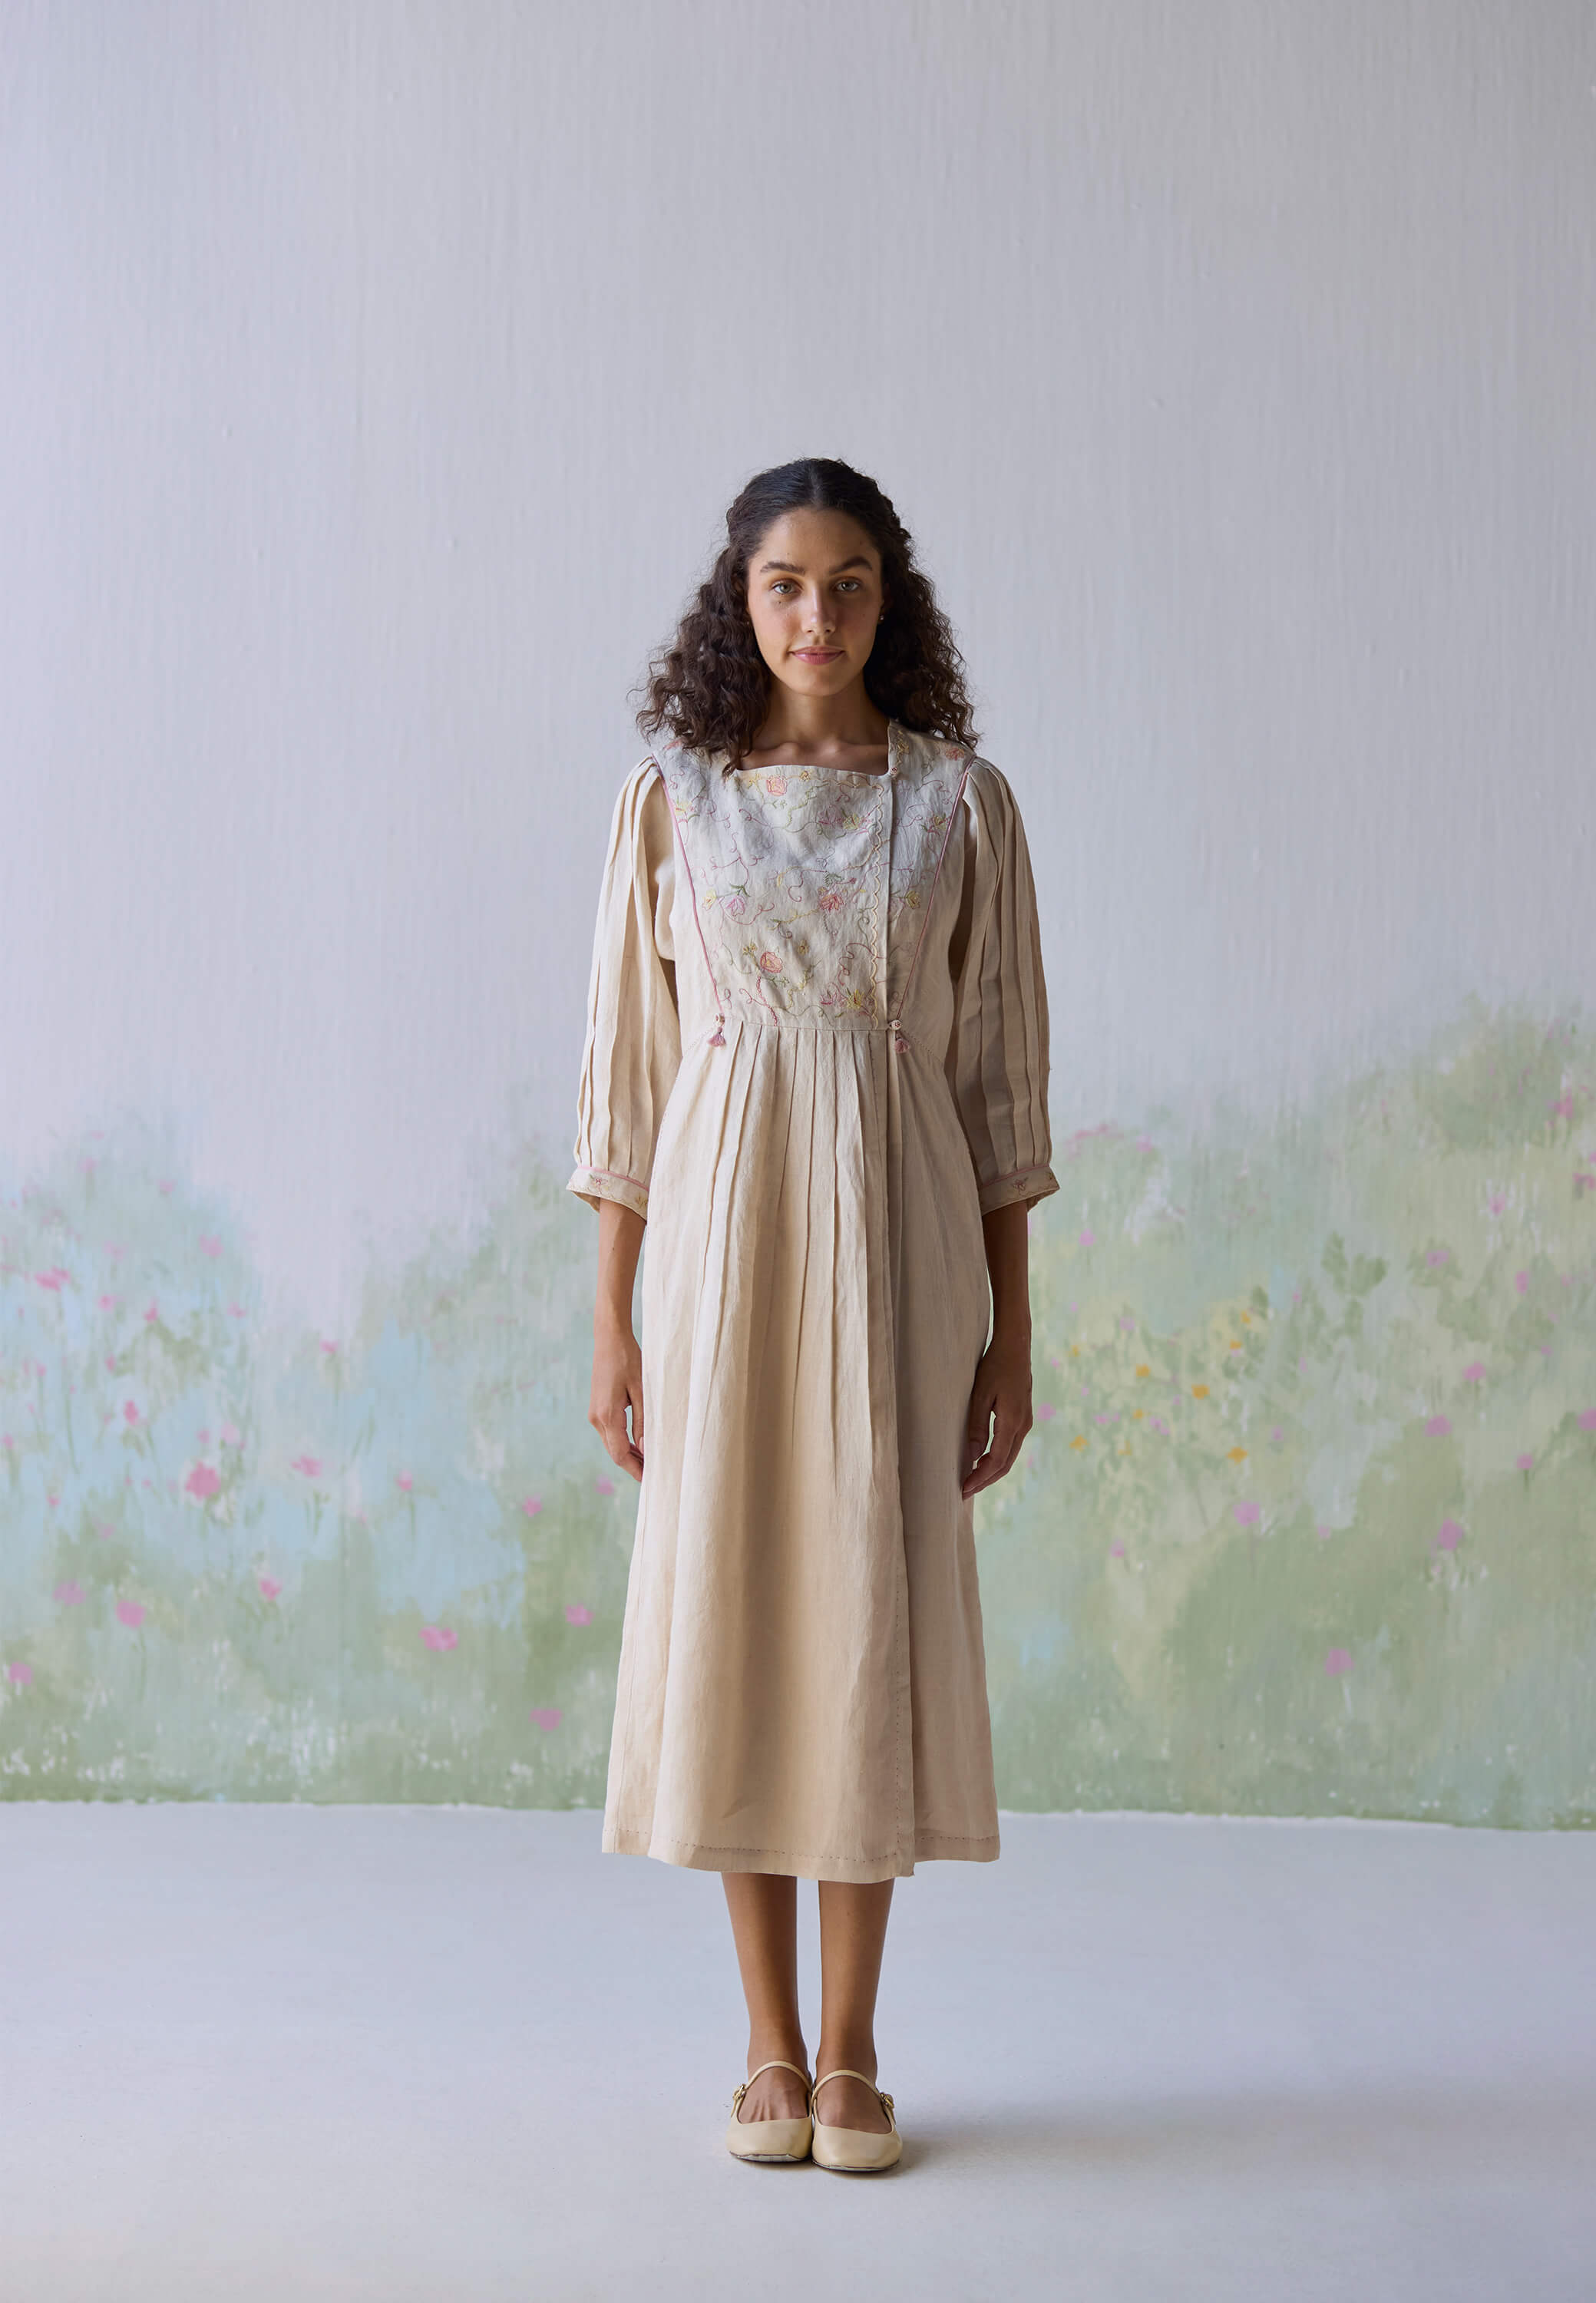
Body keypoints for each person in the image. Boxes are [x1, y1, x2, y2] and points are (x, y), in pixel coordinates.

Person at [568, 456, 1059, 2174]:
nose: (817, 618)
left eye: (850, 585)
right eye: (786, 585)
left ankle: (855, 2050)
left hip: (904, 1247)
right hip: (718, 1248)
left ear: (889, 599)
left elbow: (1001, 1088)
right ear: (740, 598)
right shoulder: (674, 800)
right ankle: (764, 2041)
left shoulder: (957, 804)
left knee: (863, 1610)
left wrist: (1013, 1324)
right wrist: (616, 1322)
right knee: (741, 1608)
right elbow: (624, 1087)